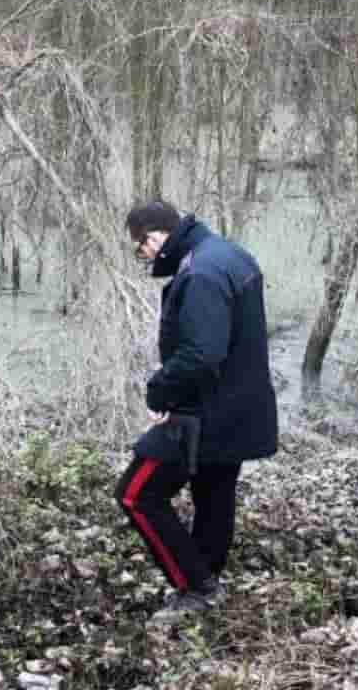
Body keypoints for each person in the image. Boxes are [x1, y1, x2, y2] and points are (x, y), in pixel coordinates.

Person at [113, 200, 278, 620]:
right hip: (239, 409)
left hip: (205, 413)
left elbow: (202, 354)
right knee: (213, 493)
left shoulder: (201, 272)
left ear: (156, 236)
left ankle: (196, 586)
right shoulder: (229, 254)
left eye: (141, 247)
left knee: (136, 494)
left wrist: (161, 392)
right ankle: (207, 582)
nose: (145, 256)